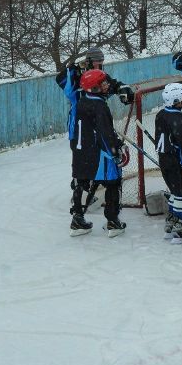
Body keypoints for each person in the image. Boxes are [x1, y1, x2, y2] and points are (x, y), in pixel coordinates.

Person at [57, 46, 134, 213]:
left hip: (96, 125)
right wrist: (75, 67)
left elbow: (111, 84)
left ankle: (87, 194)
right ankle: (81, 196)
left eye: (102, 63)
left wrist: (122, 88)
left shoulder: (100, 77)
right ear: (89, 62)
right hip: (79, 127)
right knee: (81, 163)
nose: (101, 67)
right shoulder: (76, 76)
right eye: (97, 63)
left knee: (97, 159)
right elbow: (61, 79)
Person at [69, 69, 128, 237]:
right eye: (102, 83)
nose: (107, 84)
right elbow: (105, 133)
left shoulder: (81, 102)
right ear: (94, 88)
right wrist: (116, 149)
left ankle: (77, 219)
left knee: (82, 183)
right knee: (113, 182)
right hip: (99, 153)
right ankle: (113, 221)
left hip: (81, 152)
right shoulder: (99, 106)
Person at [155, 83, 182, 243]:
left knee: (174, 191)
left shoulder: (160, 114)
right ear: (177, 100)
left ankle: (171, 223)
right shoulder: (181, 120)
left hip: (165, 160)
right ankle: (181, 229)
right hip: (177, 162)